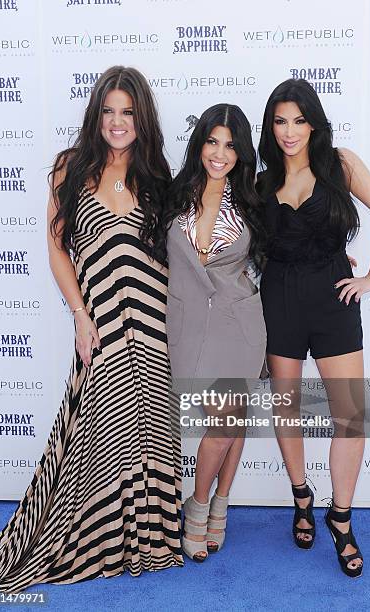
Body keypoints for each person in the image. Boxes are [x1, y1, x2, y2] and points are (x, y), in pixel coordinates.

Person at [0, 65, 183, 592]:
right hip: (103, 323)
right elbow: (56, 247)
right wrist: (79, 314)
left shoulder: (156, 171)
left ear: (142, 119)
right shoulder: (70, 168)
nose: (118, 122)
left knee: (150, 431)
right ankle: (95, 536)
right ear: (97, 114)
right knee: (101, 433)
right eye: (110, 111)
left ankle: (147, 536)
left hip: (153, 321)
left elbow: (181, 245)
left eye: (129, 112)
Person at [257, 78, 370, 578]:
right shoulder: (260, 179)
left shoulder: (340, 164)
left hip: (334, 299)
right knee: (287, 408)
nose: (290, 131)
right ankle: (301, 493)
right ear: (270, 126)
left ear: (313, 121)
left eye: (298, 120)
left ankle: (341, 516)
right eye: (280, 120)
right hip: (280, 301)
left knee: (352, 415)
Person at [165, 104, 267, 562]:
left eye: (230, 144)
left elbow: (284, 250)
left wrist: (330, 261)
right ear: (200, 143)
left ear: (241, 151)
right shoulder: (173, 194)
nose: (220, 153)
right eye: (212, 141)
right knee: (226, 424)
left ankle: (204, 505)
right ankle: (217, 501)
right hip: (186, 324)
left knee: (226, 424)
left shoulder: (255, 198)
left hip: (239, 323)